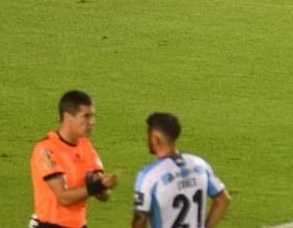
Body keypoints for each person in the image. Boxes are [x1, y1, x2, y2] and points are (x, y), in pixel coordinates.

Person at [30, 90, 118, 228]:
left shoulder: (85, 145)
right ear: (68, 117)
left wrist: (105, 185)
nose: (92, 122)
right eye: (86, 116)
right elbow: (64, 198)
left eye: (93, 116)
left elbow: (102, 194)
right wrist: (98, 186)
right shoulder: (46, 149)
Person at [132, 113, 231, 228]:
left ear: (155, 138)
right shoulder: (200, 165)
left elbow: (140, 220)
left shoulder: (149, 176)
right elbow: (223, 199)